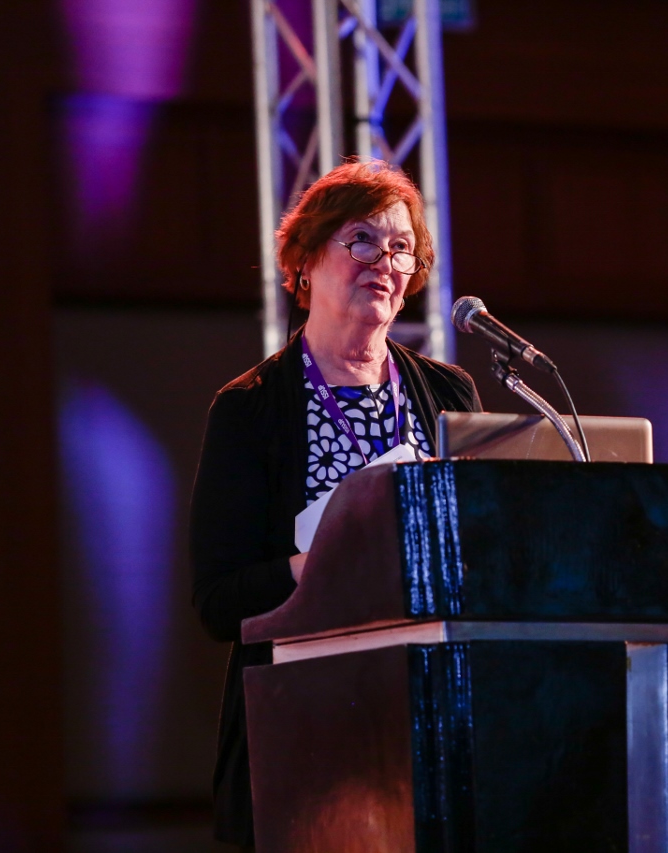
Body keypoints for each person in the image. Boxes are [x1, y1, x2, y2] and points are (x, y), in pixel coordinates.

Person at [189, 159, 481, 849]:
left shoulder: (451, 395)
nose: (385, 262)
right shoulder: (251, 409)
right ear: (305, 260)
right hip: (307, 732)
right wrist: (321, 563)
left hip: (430, 719)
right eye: (362, 241)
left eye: (401, 247)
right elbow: (218, 601)